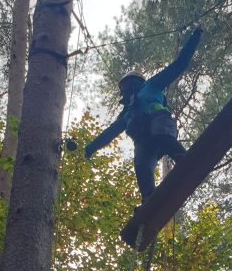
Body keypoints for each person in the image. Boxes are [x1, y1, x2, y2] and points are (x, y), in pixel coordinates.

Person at [84, 27, 202, 200]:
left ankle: (182, 157)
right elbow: (109, 133)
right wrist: (91, 148)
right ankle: (149, 198)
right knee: (141, 164)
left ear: (134, 81)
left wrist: (195, 37)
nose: (123, 91)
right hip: (143, 139)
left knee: (160, 133)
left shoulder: (152, 85)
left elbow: (179, 65)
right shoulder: (127, 113)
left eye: (125, 86)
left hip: (159, 122)